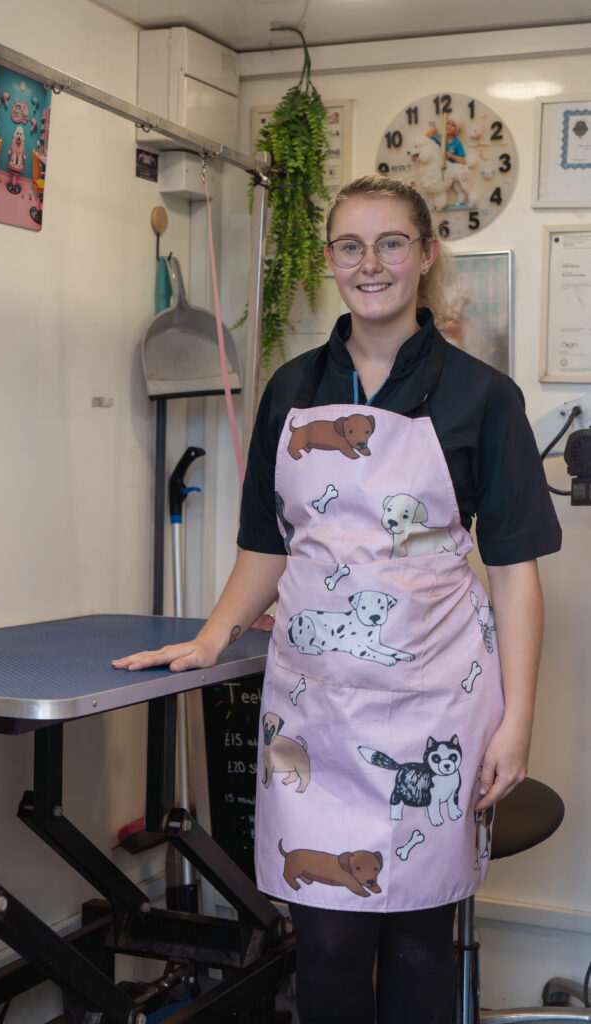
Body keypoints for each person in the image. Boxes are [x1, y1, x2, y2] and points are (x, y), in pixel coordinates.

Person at [113, 175, 561, 1024]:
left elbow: (513, 572)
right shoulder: (291, 388)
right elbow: (266, 546)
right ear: (330, 259)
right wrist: (212, 637)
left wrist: (517, 722)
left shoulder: (481, 396)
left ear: (425, 254)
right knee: (324, 947)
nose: (371, 264)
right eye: (351, 247)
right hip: (313, 711)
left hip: (435, 702)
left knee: (420, 943)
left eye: (391, 243)